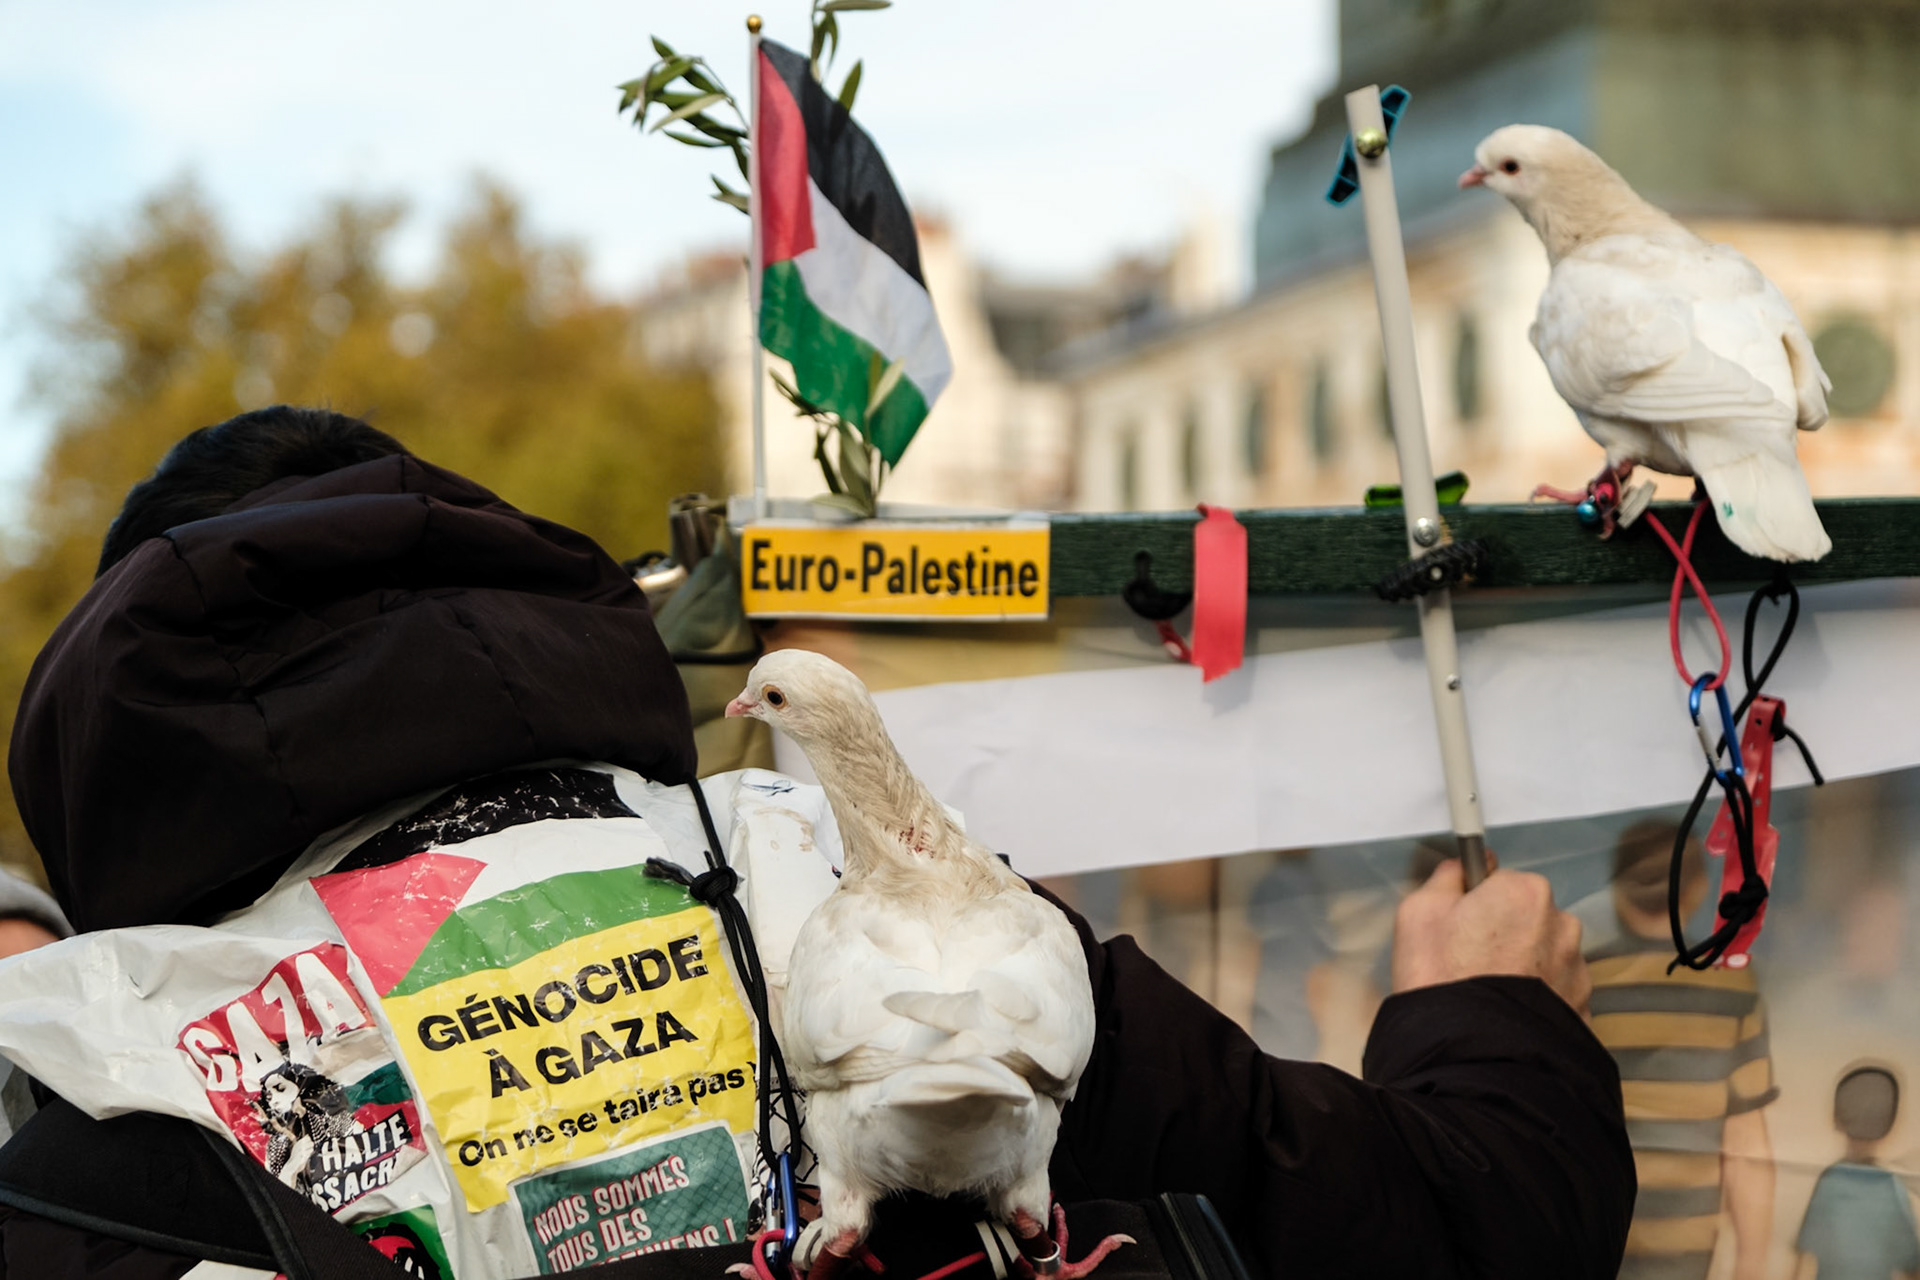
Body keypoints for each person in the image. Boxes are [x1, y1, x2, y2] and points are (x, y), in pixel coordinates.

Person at [0, 408, 1632, 1279]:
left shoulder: (71, 1075)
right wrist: (1491, 1027)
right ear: (495, 602)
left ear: (121, 731)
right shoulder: (834, 874)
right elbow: (1450, 1231)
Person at [1584, 819, 1776, 1280]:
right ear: (1695, 889)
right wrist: (1750, 1265)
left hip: (1592, 1240)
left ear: (1616, 889)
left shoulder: (1582, 982)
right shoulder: (1731, 984)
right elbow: (1746, 1140)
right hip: (1687, 1254)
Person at [1794, 1064, 1920, 1280]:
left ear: (1837, 1118)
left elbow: (1802, 1260)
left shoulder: (1829, 1182)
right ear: (1889, 1124)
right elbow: (1912, 1267)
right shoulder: (1892, 1187)